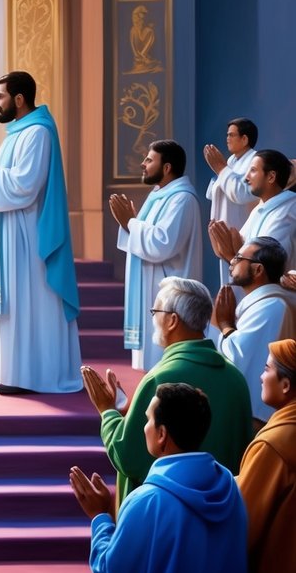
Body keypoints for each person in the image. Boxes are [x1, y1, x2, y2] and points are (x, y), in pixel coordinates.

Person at [70, 382, 248, 573]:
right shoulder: (231, 489)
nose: (144, 428)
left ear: (162, 434)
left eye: (148, 420)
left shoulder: (147, 501)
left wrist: (101, 517)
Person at [0, 71, 81, 393]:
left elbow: (25, 186)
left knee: (25, 302)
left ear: (19, 99)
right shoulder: (17, 134)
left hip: (26, 238)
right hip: (8, 235)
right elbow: (1, 182)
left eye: (0, 97)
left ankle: (27, 376)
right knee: (11, 303)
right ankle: (6, 371)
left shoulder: (37, 133)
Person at [84, 276, 252, 507]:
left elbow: (127, 457)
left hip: (165, 514)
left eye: (156, 311)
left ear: (173, 320)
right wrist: (130, 410)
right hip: (222, 511)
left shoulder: (160, 379)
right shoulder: (235, 378)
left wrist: (108, 412)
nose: (153, 319)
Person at [111, 139, 204, 371]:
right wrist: (129, 224)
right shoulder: (159, 195)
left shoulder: (182, 199)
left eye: (149, 160)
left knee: (164, 363)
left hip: (166, 290)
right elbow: (143, 235)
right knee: (152, 363)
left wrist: (130, 223)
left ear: (167, 167)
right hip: (151, 287)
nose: (143, 164)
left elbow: (163, 244)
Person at [237, 340, 296, 573]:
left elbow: (243, 525)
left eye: (266, 369)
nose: (261, 376)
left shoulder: (273, 445)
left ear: (285, 385)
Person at [212, 237, 295, 422]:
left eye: (239, 257)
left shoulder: (271, 306)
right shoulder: (266, 302)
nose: (232, 261)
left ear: (258, 270)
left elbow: (238, 359)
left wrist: (225, 323)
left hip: (257, 418)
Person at [209, 149, 296, 274]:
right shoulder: (260, 209)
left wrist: (231, 255)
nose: (246, 178)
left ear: (271, 177)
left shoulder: (286, 214)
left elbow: (265, 271)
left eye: (253, 170)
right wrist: (224, 249)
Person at [203, 118, 259, 289]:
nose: (227, 138)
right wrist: (220, 170)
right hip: (224, 234)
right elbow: (211, 193)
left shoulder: (254, 161)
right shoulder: (231, 162)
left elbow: (243, 194)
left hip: (240, 231)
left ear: (244, 139)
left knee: (240, 283)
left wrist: (221, 169)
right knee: (228, 284)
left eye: (231, 135)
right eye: (227, 135)